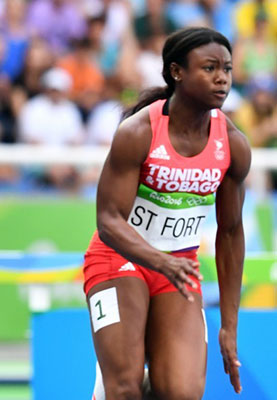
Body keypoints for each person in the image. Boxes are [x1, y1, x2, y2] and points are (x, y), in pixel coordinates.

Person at [83, 27, 251, 399]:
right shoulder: (138, 132)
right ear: (177, 72)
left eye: (227, 68)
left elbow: (230, 233)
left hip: (178, 267)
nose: (222, 77)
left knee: (180, 392)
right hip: (118, 259)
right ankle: (119, 381)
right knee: (123, 389)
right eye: (209, 68)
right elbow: (108, 221)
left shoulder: (233, 145)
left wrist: (229, 326)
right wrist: (159, 259)